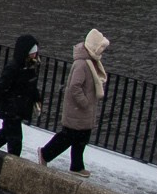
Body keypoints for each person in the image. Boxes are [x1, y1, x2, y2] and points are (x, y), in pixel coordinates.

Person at [38, 29, 108, 177]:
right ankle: (45, 153)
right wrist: (85, 102)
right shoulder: (82, 64)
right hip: (78, 110)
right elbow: (74, 86)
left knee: (81, 137)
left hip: (83, 110)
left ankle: (76, 166)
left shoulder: (90, 62)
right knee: (68, 137)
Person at [0, 35, 42, 157]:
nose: (34, 56)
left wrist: (37, 100)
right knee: (15, 140)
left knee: (5, 134)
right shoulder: (14, 68)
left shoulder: (30, 67)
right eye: (32, 53)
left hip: (17, 109)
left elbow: (31, 86)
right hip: (11, 109)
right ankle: (14, 162)